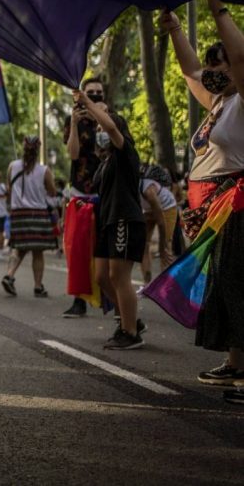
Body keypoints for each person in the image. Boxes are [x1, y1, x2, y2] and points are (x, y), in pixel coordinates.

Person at [162, 0, 244, 403]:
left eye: (221, 64)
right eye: (212, 65)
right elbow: (189, 70)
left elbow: (242, 58)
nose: (212, 71)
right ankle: (236, 362)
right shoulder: (219, 103)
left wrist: (217, 8)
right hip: (213, 209)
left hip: (238, 206)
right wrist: (175, 27)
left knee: (237, 282)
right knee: (226, 283)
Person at [74, 92, 145, 350]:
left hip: (125, 219)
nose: (101, 131)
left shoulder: (125, 151)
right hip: (109, 222)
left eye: (104, 125)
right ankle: (131, 319)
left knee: (119, 276)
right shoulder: (105, 162)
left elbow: (111, 126)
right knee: (103, 276)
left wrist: (89, 104)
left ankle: (130, 332)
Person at [62, 78, 107, 316]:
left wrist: (101, 117)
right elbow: (73, 153)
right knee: (78, 248)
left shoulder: (108, 119)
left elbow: (107, 150)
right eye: (91, 92)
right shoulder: (73, 121)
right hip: (80, 192)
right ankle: (79, 300)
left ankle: (107, 298)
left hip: (104, 191)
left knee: (102, 249)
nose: (96, 96)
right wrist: (74, 123)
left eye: (99, 92)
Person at [1, 136, 57, 298]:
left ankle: (9, 275)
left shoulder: (12, 166)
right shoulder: (44, 170)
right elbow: (52, 191)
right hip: (37, 214)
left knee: (19, 248)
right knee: (38, 252)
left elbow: (9, 188)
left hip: (18, 213)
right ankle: (38, 286)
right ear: (38, 150)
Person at [139, 166, 177, 284]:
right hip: (149, 210)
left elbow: (161, 223)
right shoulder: (127, 189)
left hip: (166, 207)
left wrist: (161, 249)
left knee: (166, 244)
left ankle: (167, 285)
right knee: (143, 245)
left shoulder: (148, 190)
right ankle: (147, 283)